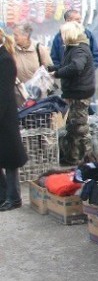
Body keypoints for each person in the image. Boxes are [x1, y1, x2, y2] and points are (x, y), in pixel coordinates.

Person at [50, 21, 96, 165]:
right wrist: (52, 69)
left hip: (79, 94)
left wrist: (57, 73)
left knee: (78, 128)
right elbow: (69, 65)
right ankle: (75, 157)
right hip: (77, 93)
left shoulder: (79, 50)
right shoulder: (74, 48)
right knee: (74, 126)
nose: (61, 37)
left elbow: (76, 67)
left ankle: (84, 158)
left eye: (63, 34)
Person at [0, 28, 28, 211]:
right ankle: (4, 195)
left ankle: (13, 197)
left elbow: (4, 93)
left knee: (10, 160)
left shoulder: (5, 59)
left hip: (5, 116)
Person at [12, 21, 53, 105]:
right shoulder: (11, 50)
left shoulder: (39, 49)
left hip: (38, 97)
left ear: (26, 35)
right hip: (18, 97)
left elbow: (49, 71)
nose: (14, 37)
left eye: (16, 35)